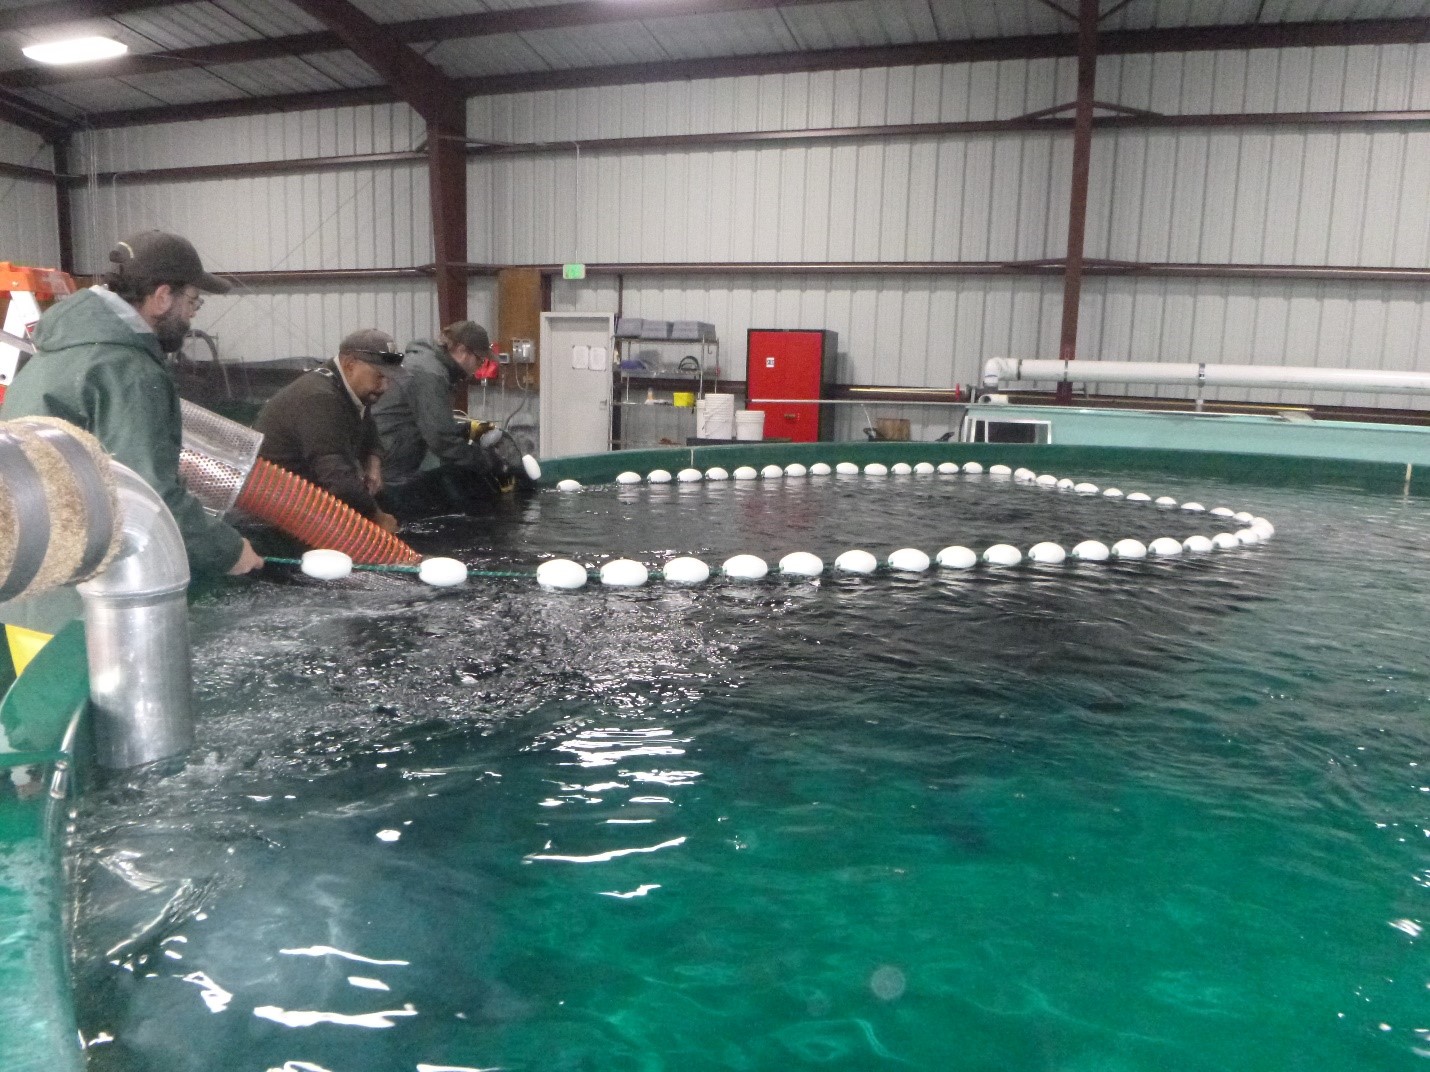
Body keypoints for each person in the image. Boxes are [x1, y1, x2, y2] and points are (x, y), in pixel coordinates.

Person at [0, 229, 263, 579]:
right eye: (193, 301)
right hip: (81, 589)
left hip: (27, 576)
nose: (192, 315)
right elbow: (147, 498)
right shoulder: (129, 371)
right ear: (162, 297)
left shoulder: (58, 351)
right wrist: (228, 551)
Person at [253, 328, 400, 533]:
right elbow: (337, 477)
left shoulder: (349, 388)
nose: (384, 386)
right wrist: (377, 517)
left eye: (389, 378)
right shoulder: (320, 398)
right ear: (350, 364)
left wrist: (373, 463)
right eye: (379, 376)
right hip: (273, 511)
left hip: (305, 494)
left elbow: (367, 424)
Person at [372, 320, 524, 518]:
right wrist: (487, 461)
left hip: (389, 456)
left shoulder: (428, 365)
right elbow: (441, 440)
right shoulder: (429, 374)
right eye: (480, 360)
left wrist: (461, 429)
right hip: (388, 467)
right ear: (461, 350)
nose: (479, 368)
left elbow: (427, 421)